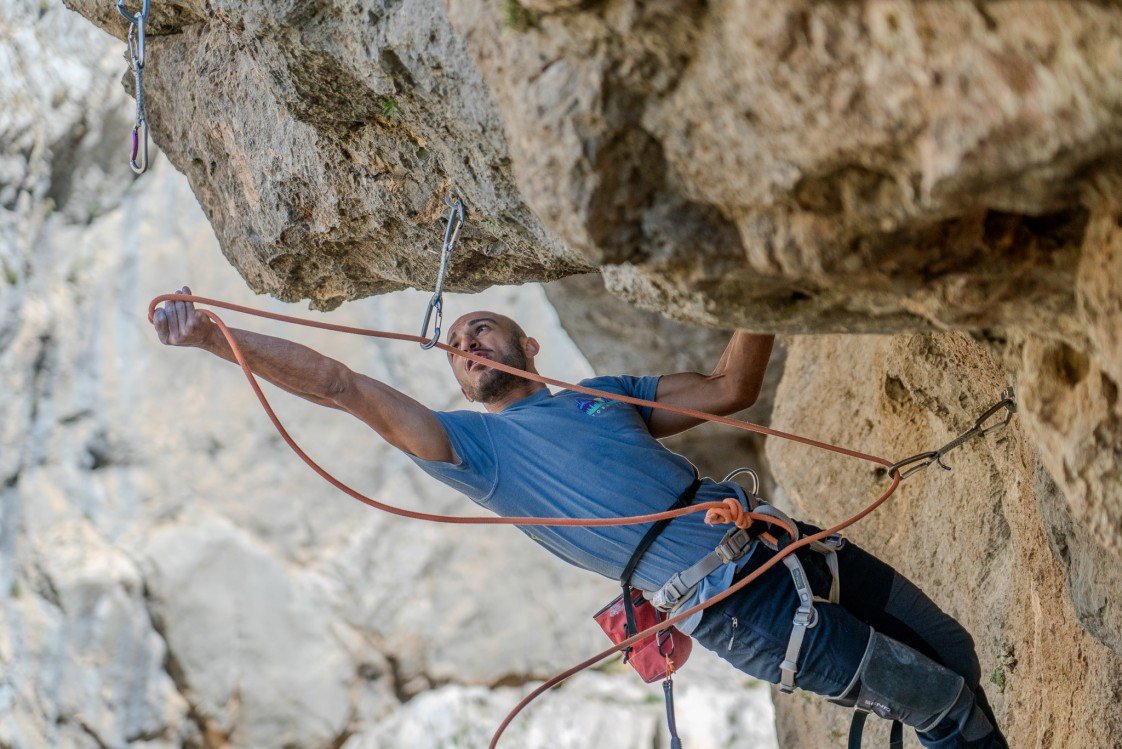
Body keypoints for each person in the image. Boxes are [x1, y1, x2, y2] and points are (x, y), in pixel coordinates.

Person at [152, 285, 1007, 748]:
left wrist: (763, 289)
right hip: (736, 608)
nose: (466, 345)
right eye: (457, 348)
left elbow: (730, 387)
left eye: (481, 330)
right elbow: (342, 385)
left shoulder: (606, 395)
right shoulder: (476, 453)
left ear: (529, 346)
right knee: (942, 708)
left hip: (788, 547)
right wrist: (216, 337)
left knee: (952, 656)